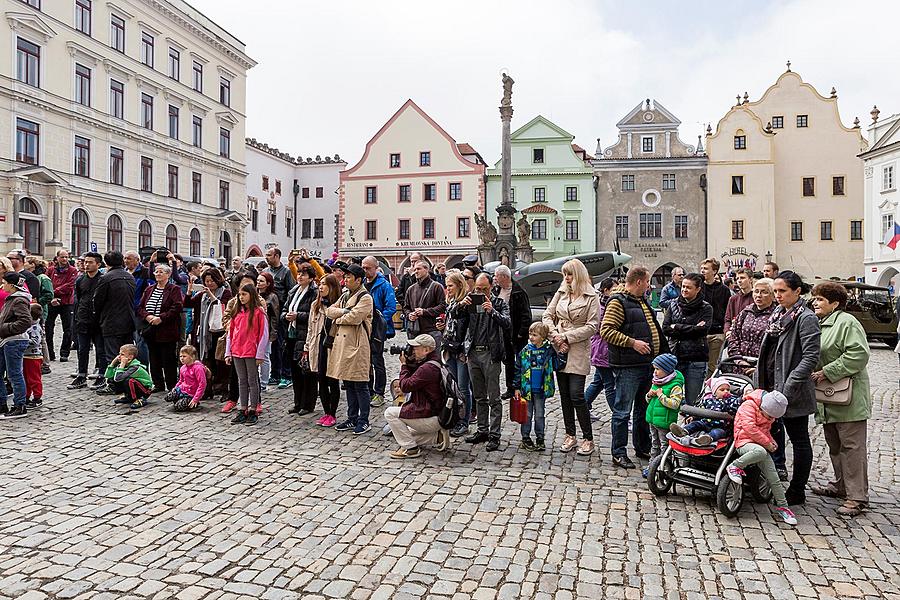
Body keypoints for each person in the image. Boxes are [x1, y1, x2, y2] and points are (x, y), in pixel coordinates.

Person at [754, 271, 820, 504]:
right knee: (768, 435)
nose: (778, 295)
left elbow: (811, 356)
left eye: (782, 291)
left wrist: (789, 385)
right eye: (776, 291)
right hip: (770, 384)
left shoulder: (806, 317)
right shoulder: (778, 313)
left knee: (799, 439)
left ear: (797, 292)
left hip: (792, 390)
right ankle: (765, 479)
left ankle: (797, 489)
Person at [809, 281, 871, 516]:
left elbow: (858, 354)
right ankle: (841, 485)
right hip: (829, 396)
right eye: (815, 298)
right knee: (835, 443)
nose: (815, 302)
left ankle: (857, 496)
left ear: (835, 303)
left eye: (821, 299)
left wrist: (827, 372)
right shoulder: (821, 323)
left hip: (849, 396)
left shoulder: (847, 322)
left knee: (852, 446)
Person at [600, 266, 663, 468]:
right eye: (647, 282)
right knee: (622, 410)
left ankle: (642, 446)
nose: (649, 286)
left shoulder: (640, 300)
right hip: (628, 364)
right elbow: (606, 331)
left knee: (643, 409)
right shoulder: (618, 302)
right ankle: (618, 452)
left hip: (646, 363)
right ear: (638, 282)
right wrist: (633, 343)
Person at [543, 259, 600, 456]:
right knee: (565, 395)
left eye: (570, 274)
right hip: (559, 346)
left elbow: (593, 326)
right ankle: (570, 434)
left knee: (577, 394)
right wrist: (556, 337)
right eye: (564, 274)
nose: (567, 278)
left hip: (577, 348)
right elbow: (547, 316)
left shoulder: (591, 296)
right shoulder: (561, 292)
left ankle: (588, 437)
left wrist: (567, 336)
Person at [727, 389, 797, 525]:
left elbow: (765, 431)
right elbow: (750, 428)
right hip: (743, 441)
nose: (771, 419)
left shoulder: (768, 413)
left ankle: (783, 507)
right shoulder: (748, 406)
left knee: (774, 477)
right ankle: (735, 466)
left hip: (759, 445)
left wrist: (771, 442)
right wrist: (767, 443)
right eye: (770, 416)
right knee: (762, 452)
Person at [461, 273, 510, 451]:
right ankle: (482, 430)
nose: (480, 293)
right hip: (473, 352)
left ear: (491, 287)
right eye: (478, 289)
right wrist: (462, 306)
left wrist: (492, 311)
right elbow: (456, 317)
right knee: (479, 396)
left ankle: (494, 435)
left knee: (494, 397)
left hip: (491, 354)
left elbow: (507, 323)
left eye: (484, 289)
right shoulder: (471, 302)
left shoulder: (499, 303)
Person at [328, 264, 374, 434]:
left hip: (357, 344)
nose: (345, 280)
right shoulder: (346, 295)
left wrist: (339, 318)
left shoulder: (365, 297)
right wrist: (344, 312)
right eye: (345, 277)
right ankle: (352, 417)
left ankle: (364, 420)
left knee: (360, 384)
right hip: (343, 345)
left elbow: (355, 317)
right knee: (348, 382)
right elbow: (330, 311)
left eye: (348, 277)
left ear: (358, 279)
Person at [385, 334, 448, 459]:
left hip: (430, 414)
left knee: (390, 413)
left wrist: (403, 365)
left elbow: (405, 386)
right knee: (405, 433)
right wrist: (409, 361)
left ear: (426, 350)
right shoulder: (434, 361)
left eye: (415, 347)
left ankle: (411, 449)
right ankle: (437, 437)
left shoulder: (427, 368)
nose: (412, 350)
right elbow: (416, 374)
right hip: (436, 413)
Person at [662, 272, 712, 406]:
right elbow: (666, 328)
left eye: (688, 287)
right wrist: (692, 328)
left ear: (698, 289)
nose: (684, 290)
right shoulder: (673, 305)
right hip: (675, 355)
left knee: (692, 401)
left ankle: (689, 426)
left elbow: (702, 331)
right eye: (683, 286)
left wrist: (677, 326)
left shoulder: (706, 307)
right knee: (670, 398)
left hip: (696, 358)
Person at [92, 251, 137, 392]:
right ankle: (126, 382)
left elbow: (97, 301)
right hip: (128, 320)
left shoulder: (106, 278)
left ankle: (113, 384)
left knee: (113, 355)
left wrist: (97, 317)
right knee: (128, 354)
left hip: (111, 321)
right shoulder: (129, 277)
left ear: (106, 263)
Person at [225, 283, 269, 425]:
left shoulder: (258, 312)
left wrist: (260, 354)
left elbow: (263, 334)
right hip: (237, 351)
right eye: (240, 294)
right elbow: (230, 334)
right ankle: (242, 408)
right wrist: (228, 352)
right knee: (241, 381)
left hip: (251, 351)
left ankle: (253, 409)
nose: (241, 297)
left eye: (244, 294)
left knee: (252, 381)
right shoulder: (236, 312)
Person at [137, 264, 184, 393]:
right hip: (150, 329)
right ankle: (157, 384)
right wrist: (147, 316)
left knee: (168, 358)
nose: (157, 274)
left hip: (167, 329)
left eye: (161, 272)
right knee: (154, 357)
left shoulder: (174, 289)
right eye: (156, 272)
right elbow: (140, 307)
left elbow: (177, 307)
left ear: (168, 274)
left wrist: (161, 318)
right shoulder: (149, 289)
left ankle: (171, 384)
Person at [184, 268, 232, 396]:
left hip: (219, 332)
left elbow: (223, 307)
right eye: (207, 281)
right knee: (206, 359)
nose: (209, 284)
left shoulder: (225, 292)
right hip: (203, 332)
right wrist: (189, 291)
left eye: (212, 281)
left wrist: (211, 295)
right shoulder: (202, 295)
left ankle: (222, 387)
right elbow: (188, 304)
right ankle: (207, 387)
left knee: (220, 361)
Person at [304, 274, 342, 427]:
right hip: (317, 346)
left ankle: (332, 414)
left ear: (332, 287)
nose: (320, 287)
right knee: (321, 380)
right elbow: (310, 329)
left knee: (332, 381)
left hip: (333, 347)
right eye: (319, 284)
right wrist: (306, 348)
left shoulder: (338, 305)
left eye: (324, 284)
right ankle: (326, 412)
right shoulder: (316, 305)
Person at [282, 263, 317, 415]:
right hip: (292, 335)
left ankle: (307, 404)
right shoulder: (293, 291)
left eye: (303, 274)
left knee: (306, 372)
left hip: (305, 336)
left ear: (310, 278)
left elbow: (315, 315)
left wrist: (298, 316)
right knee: (295, 372)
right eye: (299, 274)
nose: (300, 276)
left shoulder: (314, 293)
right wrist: (286, 316)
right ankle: (297, 403)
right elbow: (284, 309)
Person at [362, 255, 397, 408]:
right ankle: (368, 390)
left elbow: (391, 307)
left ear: (376, 268)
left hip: (377, 329)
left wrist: (378, 319)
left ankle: (379, 392)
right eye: (363, 268)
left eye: (368, 268)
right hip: (363, 328)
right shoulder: (362, 284)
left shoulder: (384, 285)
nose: (365, 271)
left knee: (377, 361)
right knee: (365, 361)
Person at [493, 265, 531, 400]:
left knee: (520, 360)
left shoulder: (518, 291)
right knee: (508, 361)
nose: (495, 279)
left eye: (496, 276)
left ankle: (520, 386)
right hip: (503, 332)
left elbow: (526, 314)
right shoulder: (496, 290)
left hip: (517, 332)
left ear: (504, 277)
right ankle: (510, 387)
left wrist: (521, 332)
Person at [442, 272, 472, 438]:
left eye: (450, 286)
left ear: (459, 285)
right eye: (447, 286)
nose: (448, 289)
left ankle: (464, 422)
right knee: (452, 387)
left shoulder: (466, 301)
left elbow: (468, 325)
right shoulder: (452, 301)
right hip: (450, 347)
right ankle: (455, 418)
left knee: (463, 388)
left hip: (462, 350)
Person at [68, 252, 104, 390]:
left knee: (100, 349)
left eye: (90, 262)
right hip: (82, 319)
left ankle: (101, 375)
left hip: (98, 320)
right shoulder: (80, 280)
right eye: (85, 262)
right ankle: (81, 375)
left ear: (98, 264)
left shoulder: (103, 280)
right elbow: (78, 299)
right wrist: (77, 317)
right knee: (82, 349)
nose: (86, 264)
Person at [518, 322, 555, 452]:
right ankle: (525, 437)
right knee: (526, 415)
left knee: (540, 414)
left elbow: (556, 364)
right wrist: (516, 387)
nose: (531, 337)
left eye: (535, 335)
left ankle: (540, 437)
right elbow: (518, 369)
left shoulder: (548, 351)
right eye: (530, 334)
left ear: (543, 337)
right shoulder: (525, 351)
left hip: (540, 389)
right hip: (527, 389)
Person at [670, 377, 740, 445]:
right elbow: (700, 410)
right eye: (722, 390)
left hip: (720, 427)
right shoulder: (708, 400)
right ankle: (683, 431)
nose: (726, 392)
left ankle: (706, 439)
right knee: (695, 424)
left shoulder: (729, 401)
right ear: (714, 392)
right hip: (705, 422)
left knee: (717, 433)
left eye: (728, 390)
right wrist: (693, 417)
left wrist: (740, 399)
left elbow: (735, 405)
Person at [644, 353, 684, 469]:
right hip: (653, 419)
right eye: (654, 369)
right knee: (654, 444)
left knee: (664, 445)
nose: (655, 372)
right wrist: (649, 395)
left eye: (658, 369)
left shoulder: (675, 385)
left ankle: (664, 466)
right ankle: (652, 465)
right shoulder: (657, 381)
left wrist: (661, 396)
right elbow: (648, 401)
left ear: (667, 369)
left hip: (664, 421)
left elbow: (675, 404)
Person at [264, 247, 296, 388]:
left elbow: (291, 292)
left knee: (282, 345)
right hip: (270, 314)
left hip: (281, 313)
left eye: (269, 255)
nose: (267, 257)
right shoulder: (266, 272)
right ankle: (274, 374)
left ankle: (285, 374)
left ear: (277, 256)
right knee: (273, 344)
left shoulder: (286, 272)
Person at [585, 278, 616, 419]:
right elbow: (600, 328)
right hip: (602, 350)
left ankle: (583, 407)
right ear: (605, 290)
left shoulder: (610, 305)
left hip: (605, 351)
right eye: (614, 289)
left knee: (598, 382)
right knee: (610, 384)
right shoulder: (600, 306)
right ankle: (619, 415)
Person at [729, 278, 776, 359]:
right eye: (756, 291)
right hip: (739, 363)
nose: (758, 295)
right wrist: (738, 359)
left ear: (773, 296)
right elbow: (734, 337)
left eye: (764, 292)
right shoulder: (746, 312)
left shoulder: (776, 315)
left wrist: (759, 366)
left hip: (762, 366)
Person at [403, 260, 446, 348]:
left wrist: (425, 312)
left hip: (432, 330)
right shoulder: (411, 289)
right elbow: (406, 307)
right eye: (414, 269)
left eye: (418, 269)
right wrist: (409, 315)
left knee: (433, 359)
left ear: (426, 269)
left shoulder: (436, 286)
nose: (416, 272)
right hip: (415, 331)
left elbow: (442, 306)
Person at [699, 257, 730, 377]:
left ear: (714, 271)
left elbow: (727, 310)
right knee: (699, 364)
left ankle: (709, 389)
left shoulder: (724, 290)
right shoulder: (698, 288)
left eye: (706, 269)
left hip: (717, 332)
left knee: (712, 365)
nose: (702, 271)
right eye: (702, 268)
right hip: (700, 332)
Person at [47, 249, 78, 363]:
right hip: (52, 302)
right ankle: (50, 353)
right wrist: (52, 296)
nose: (64, 259)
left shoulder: (73, 270)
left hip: (66, 303)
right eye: (62, 257)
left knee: (68, 329)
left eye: (66, 257)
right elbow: (46, 283)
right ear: (57, 258)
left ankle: (64, 353)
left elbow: (70, 285)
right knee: (48, 327)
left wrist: (54, 291)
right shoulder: (50, 270)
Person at [104, 344, 153, 409]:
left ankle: (139, 399)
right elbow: (108, 376)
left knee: (129, 381)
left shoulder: (135, 367)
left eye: (122, 354)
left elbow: (118, 378)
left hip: (145, 390)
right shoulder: (124, 365)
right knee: (114, 378)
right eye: (119, 354)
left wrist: (122, 365)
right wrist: (113, 363)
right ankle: (129, 397)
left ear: (130, 357)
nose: (119, 356)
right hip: (136, 387)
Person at [124, 250, 152, 365]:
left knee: (140, 341)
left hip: (138, 312)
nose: (126, 261)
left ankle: (143, 368)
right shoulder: (123, 272)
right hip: (124, 311)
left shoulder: (145, 273)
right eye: (125, 258)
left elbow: (149, 291)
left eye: (129, 258)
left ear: (137, 260)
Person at [256, 271, 280, 392]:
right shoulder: (254, 294)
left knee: (264, 356)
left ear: (268, 283)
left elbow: (275, 317)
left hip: (266, 330)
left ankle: (263, 382)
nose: (258, 283)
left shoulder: (272, 297)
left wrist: (273, 334)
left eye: (261, 281)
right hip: (254, 330)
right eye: (258, 280)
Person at [164, 345, 208, 410]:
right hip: (182, 389)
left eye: (184, 356)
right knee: (168, 397)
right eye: (180, 356)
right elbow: (181, 380)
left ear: (192, 357)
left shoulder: (198, 368)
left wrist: (196, 399)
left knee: (179, 407)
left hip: (191, 393)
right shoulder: (182, 368)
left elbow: (202, 384)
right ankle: (180, 399)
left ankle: (191, 402)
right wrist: (175, 388)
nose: (181, 358)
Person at [23, 304, 44, 408]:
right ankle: (26, 396)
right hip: (26, 356)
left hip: (33, 357)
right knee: (26, 378)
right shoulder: (28, 326)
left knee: (34, 378)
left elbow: (35, 341)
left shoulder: (35, 328)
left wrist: (24, 339)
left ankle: (37, 397)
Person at [724, 268, 755, 334]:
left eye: (742, 278)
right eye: (737, 278)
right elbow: (728, 319)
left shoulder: (756, 298)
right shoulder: (733, 299)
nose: (739, 281)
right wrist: (727, 331)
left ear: (750, 279)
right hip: (735, 335)